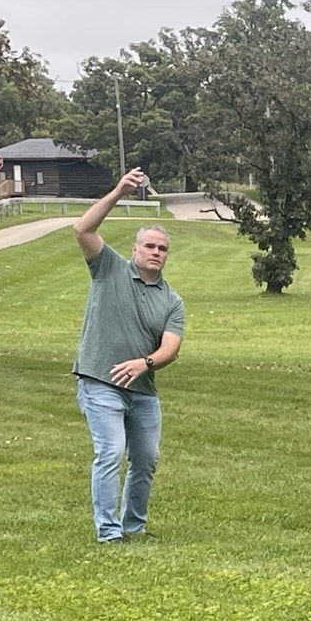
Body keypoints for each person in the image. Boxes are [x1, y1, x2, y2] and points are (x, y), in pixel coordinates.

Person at [71, 168, 184, 543]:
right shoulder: (109, 269)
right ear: (135, 249)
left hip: (143, 389)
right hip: (100, 381)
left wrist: (145, 363)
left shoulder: (172, 300)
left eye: (162, 248)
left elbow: (171, 346)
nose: (155, 252)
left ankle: (134, 526)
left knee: (146, 459)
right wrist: (119, 190)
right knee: (111, 452)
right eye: (149, 246)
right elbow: (82, 230)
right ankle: (108, 531)